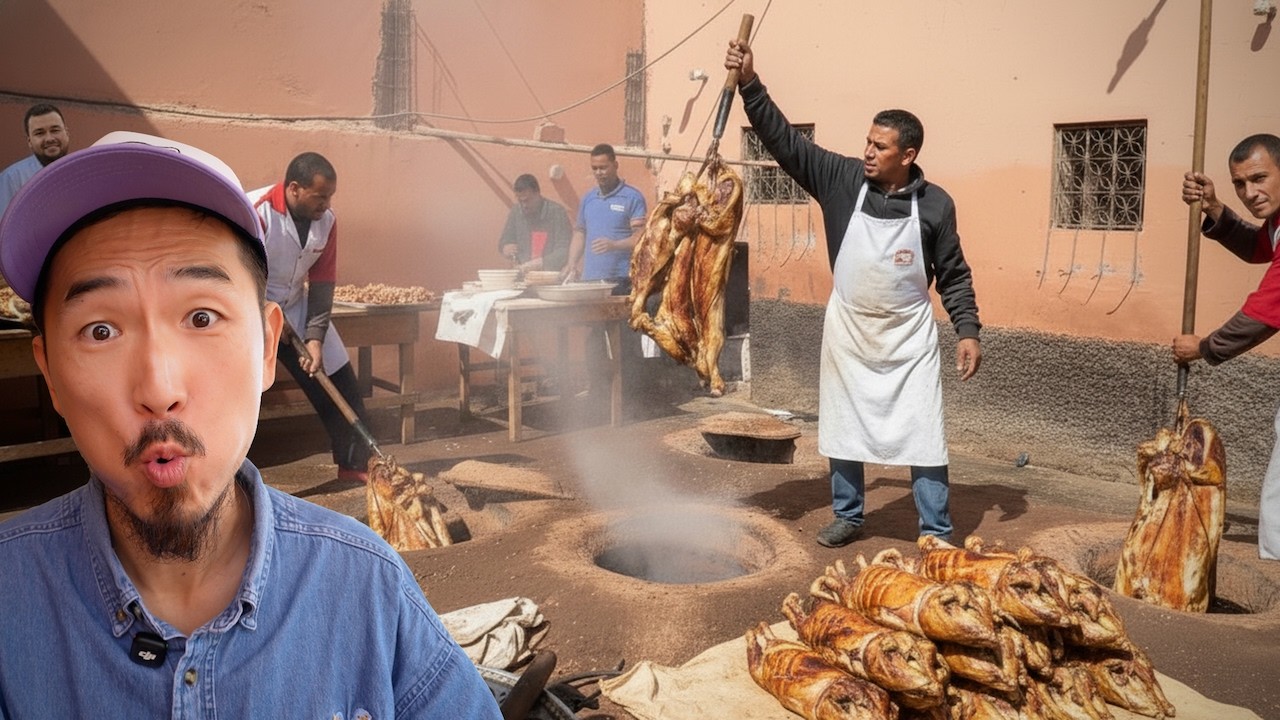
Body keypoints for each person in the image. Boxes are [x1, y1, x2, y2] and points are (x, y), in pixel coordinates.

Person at [0, 131, 501, 716]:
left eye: (202, 316)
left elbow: (324, 286)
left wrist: (311, 335)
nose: (160, 391)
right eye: (101, 331)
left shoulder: (368, 589)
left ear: (265, 349)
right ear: (51, 374)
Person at [725, 41, 982, 548]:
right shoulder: (842, 179)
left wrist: (967, 330)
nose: (867, 151)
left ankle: (936, 530)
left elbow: (953, 273)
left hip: (909, 337)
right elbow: (785, 143)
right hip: (849, 329)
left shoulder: (934, 206)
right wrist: (751, 85)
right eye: (867, 141)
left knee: (924, 433)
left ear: (907, 155)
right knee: (843, 425)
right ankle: (849, 514)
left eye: (880, 146)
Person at [1177, 132, 1280, 561]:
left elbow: (1262, 315)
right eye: (1239, 184)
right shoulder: (1277, 222)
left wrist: (1202, 347)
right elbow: (1258, 247)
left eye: (1259, 178)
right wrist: (1215, 208)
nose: (1249, 193)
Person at [248, 153, 372, 484]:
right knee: (241, 388)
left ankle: (354, 461)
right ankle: (225, 473)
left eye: (330, 196)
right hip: (248, 305)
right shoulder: (255, 212)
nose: (326, 204)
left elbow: (322, 282)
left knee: (339, 377)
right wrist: (269, 315)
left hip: (296, 304)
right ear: (294, 189)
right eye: (320, 196)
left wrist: (314, 338)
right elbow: (239, 273)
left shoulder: (327, 221)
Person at [564, 143, 647, 293]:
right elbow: (580, 233)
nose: (599, 172)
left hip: (620, 281)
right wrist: (572, 263)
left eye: (603, 167)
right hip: (589, 280)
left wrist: (614, 245)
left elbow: (640, 238)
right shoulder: (588, 199)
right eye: (594, 168)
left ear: (615, 165)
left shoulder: (633, 197)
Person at [0, 103, 70, 217]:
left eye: (55, 130)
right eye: (40, 133)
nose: (49, 138)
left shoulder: (81, 172)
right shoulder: (11, 179)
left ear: (66, 133)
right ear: (29, 141)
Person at [499, 173, 572, 272]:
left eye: (527, 200)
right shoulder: (516, 211)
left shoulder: (557, 212)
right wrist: (505, 248)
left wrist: (542, 263)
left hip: (550, 276)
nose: (523, 205)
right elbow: (505, 240)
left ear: (537, 194)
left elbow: (565, 250)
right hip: (522, 276)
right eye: (520, 201)